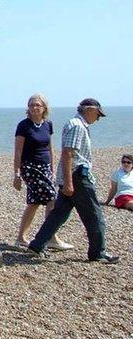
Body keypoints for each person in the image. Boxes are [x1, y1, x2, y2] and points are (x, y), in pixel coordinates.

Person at [28, 98, 119, 263]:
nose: (98, 118)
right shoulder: (77, 125)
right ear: (90, 110)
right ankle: (98, 253)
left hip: (72, 176)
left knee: (59, 214)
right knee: (94, 215)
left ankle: (37, 244)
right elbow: (68, 153)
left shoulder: (77, 124)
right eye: (98, 114)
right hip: (77, 177)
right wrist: (69, 182)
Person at [12, 94, 72, 250]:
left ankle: (21, 238)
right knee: (52, 198)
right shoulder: (24, 126)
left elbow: (49, 147)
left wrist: (52, 168)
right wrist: (17, 174)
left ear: (44, 107)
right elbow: (18, 151)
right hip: (30, 167)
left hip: (45, 167)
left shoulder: (48, 124)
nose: (34, 107)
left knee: (34, 202)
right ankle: (51, 236)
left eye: (37, 105)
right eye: (31, 105)